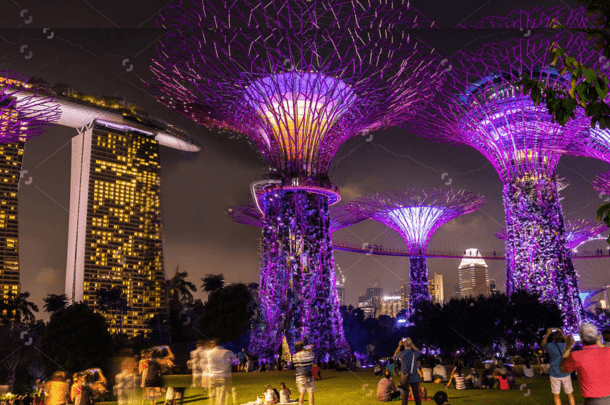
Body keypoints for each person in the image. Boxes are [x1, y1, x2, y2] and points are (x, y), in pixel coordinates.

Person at [561, 322, 610, 405]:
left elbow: (563, 369)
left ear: (581, 339)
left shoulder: (576, 356)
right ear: (597, 338)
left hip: (593, 401)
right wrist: (599, 342)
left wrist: (568, 347)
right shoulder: (607, 351)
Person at [542, 328, 575, 405]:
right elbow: (568, 341)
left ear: (553, 337)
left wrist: (547, 334)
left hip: (554, 374)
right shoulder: (566, 345)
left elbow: (543, 344)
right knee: (570, 394)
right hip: (565, 372)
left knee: (556, 395)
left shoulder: (550, 346)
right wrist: (562, 332)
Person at [206, 340, 236, 405]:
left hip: (212, 376)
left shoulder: (209, 353)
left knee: (212, 396)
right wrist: (229, 361)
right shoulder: (228, 352)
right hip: (223, 376)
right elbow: (235, 362)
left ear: (214, 344)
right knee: (222, 396)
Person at [394, 338, 421, 405]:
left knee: (405, 395)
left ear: (404, 344)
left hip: (405, 377)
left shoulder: (402, 353)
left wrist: (399, 346)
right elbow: (419, 352)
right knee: (416, 395)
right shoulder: (414, 353)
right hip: (414, 377)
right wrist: (412, 345)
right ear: (411, 344)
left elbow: (395, 354)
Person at [292, 341, 316, 405]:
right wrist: (309, 349)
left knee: (302, 393)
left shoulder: (294, 356)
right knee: (310, 392)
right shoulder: (309, 354)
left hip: (299, 377)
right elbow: (313, 358)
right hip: (309, 376)